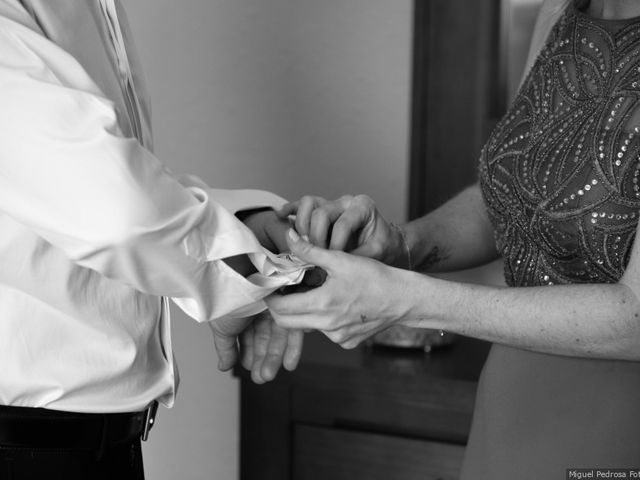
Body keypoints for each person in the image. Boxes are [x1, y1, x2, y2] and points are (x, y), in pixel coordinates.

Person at [265, 0, 640, 477]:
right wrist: (400, 244)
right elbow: (517, 200)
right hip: (509, 413)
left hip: (615, 431)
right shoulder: (557, 16)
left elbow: (636, 317)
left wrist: (406, 299)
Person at [0, 0, 304, 478]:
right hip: (29, 451)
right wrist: (248, 272)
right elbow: (117, 213)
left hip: (94, 446)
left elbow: (108, 178)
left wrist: (248, 231)